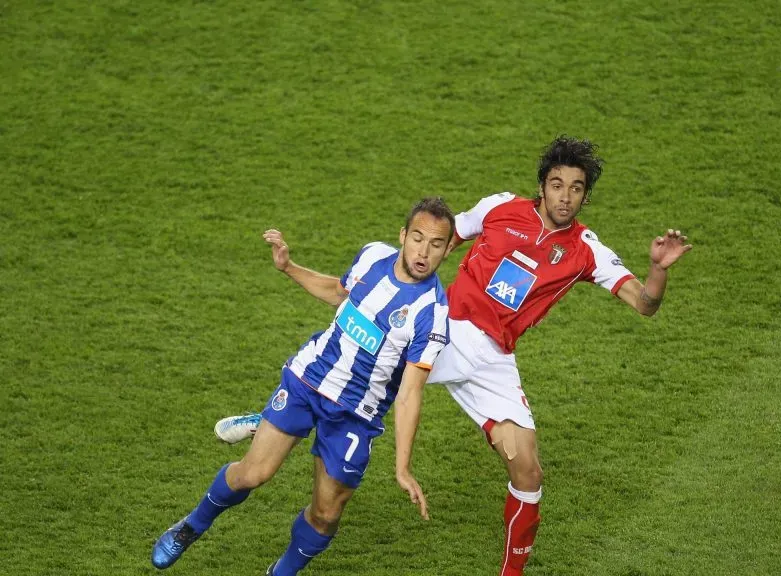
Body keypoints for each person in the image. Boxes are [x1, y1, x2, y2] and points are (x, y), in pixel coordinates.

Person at [215, 137, 692, 575]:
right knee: (371, 364)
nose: (564, 196)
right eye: (556, 184)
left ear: (585, 197)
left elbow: (645, 304)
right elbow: (437, 238)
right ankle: (271, 418)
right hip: (448, 329)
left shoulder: (586, 250)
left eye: (576, 188)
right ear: (541, 186)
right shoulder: (500, 207)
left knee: (528, 470)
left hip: (494, 359)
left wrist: (658, 269)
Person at [152, 197, 456, 576]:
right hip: (308, 379)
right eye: (418, 238)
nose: (423, 252)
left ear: (448, 249)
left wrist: (403, 467)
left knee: (326, 515)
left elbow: (410, 393)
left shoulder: (432, 314)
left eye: (436, 244)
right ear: (403, 235)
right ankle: (191, 526)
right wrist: (288, 268)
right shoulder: (373, 256)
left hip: (355, 414)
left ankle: (281, 572)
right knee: (253, 474)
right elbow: (339, 292)